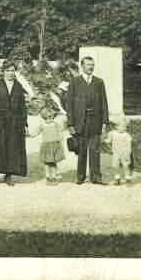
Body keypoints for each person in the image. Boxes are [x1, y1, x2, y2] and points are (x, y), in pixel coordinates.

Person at [0, 61, 29, 186]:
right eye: (8, 70)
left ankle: (8, 175)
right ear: (3, 71)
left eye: (13, 70)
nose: (10, 73)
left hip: (14, 122)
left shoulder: (18, 86)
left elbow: (22, 107)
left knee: (12, 147)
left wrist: (25, 123)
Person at [66, 56, 109, 185]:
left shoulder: (99, 82)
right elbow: (69, 104)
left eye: (92, 65)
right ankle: (80, 176)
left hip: (95, 120)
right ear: (82, 66)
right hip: (80, 121)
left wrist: (105, 122)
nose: (91, 67)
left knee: (95, 150)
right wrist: (70, 123)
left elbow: (104, 103)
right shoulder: (75, 82)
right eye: (88, 64)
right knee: (82, 149)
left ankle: (96, 176)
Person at [30, 105, 67, 184]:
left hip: (55, 145)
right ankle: (47, 176)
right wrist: (31, 134)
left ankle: (53, 176)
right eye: (47, 117)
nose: (49, 119)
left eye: (51, 117)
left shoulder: (56, 124)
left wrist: (61, 141)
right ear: (44, 117)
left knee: (53, 163)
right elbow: (35, 132)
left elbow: (60, 133)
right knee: (47, 163)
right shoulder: (42, 125)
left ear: (53, 116)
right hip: (46, 145)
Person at [106, 115, 134, 186]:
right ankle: (117, 178)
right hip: (116, 152)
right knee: (115, 166)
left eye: (125, 127)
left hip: (125, 152)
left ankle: (128, 178)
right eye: (123, 126)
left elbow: (129, 144)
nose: (125, 128)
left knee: (126, 165)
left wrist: (129, 152)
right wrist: (106, 141)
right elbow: (109, 140)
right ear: (116, 126)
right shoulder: (112, 133)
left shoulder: (126, 135)